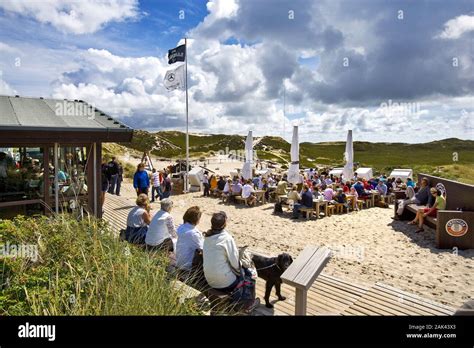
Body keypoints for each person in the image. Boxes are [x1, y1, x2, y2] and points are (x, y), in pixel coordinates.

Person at [176, 206, 204, 271]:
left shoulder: (181, 227)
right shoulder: (193, 234)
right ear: (197, 219)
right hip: (188, 265)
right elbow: (203, 249)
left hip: (179, 261)